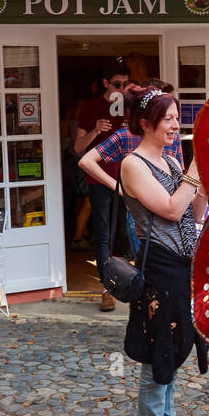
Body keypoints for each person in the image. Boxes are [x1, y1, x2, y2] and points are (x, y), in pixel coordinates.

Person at [118, 85, 208, 416]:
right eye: (168, 118)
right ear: (146, 123)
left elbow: (194, 209)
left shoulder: (172, 163)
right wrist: (195, 169)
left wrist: (201, 178)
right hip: (158, 269)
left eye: (176, 118)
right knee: (157, 355)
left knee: (172, 350)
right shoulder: (133, 164)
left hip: (182, 266)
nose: (176, 125)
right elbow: (172, 209)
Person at [79, 77, 184, 262]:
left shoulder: (172, 137)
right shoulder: (126, 134)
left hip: (167, 214)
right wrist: (117, 187)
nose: (173, 122)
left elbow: (180, 174)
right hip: (140, 215)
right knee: (148, 269)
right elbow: (85, 160)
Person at [74, 64, 130, 310]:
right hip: (99, 179)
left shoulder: (131, 106)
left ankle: (129, 286)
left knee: (127, 233)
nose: (122, 89)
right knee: (104, 234)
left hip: (129, 179)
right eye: (117, 84)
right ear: (106, 83)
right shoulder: (90, 107)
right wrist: (96, 129)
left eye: (126, 85)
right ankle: (106, 290)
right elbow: (77, 147)